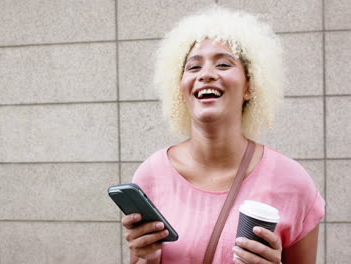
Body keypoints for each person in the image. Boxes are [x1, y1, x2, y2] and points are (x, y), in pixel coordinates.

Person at [121, 6, 325, 264]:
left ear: (250, 87)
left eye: (223, 64)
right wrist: (144, 260)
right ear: (181, 91)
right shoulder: (150, 175)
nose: (206, 74)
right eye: (193, 67)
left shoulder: (293, 182)